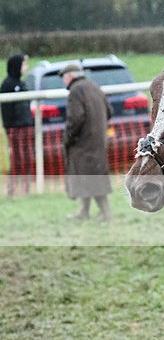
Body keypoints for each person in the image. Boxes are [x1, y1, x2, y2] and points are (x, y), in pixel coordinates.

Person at [60, 62, 113, 222]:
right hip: (98, 142)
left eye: (63, 77)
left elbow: (75, 118)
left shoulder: (76, 91)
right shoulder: (94, 86)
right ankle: (84, 211)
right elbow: (109, 112)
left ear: (69, 76)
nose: (63, 81)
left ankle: (106, 214)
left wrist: (68, 138)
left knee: (89, 179)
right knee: (91, 176)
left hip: (82, 143)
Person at [1, 53, 35, 196]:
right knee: (17, 159)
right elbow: (7, 110)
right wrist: (10, 126)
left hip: (27, 126)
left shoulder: (22, 84)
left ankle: (26, 189)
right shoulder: (8, 84)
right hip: (15, 128)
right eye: (24, 64)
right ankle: (13, 189)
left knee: (28, 158)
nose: (26, 67)